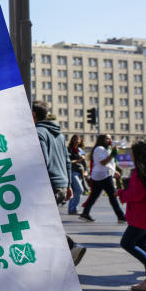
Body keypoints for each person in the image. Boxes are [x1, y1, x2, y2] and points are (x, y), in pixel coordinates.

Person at [31, 101, 86, 266]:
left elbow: (42, 161)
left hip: (48, 184)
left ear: (33, 115)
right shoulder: (59, 135)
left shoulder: (38, 132)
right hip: (61, 183)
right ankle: (60, 252)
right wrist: (68, 184)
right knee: (45, 221)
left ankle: (70, 247)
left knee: (40, 222)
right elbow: (67, 161)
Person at [117, 140, 146, 291]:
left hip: (142, 217)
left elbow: (137, 194)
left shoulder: (139, 172)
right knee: (143, 245)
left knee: (127, 243)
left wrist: (121, 193)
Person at [79, 133, 126, 223]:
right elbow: (103, 162)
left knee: (94, 196)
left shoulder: (104, 149)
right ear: (102, 140)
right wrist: (112, 154)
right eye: (107, 139)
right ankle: (120, 216)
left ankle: (85, 213)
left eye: (110, 138)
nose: (110, 140)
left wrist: (113, 170)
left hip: (101, 175)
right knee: (113, 196)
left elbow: (107, 163)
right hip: (103, 176)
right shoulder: (99, 149)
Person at [67, 134, 86, 215]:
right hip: (72, 171)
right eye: (75, 139)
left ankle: (73, 209)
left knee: (76, 191)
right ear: (72, 140)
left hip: (80, 172)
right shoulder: (69, 150)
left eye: (79, 139)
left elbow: (84, 162)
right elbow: (68, 162)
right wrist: (79, 160)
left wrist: (86, 171)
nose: (77, 141)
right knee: (79, 189)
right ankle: (72, 208)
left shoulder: (80, 150)